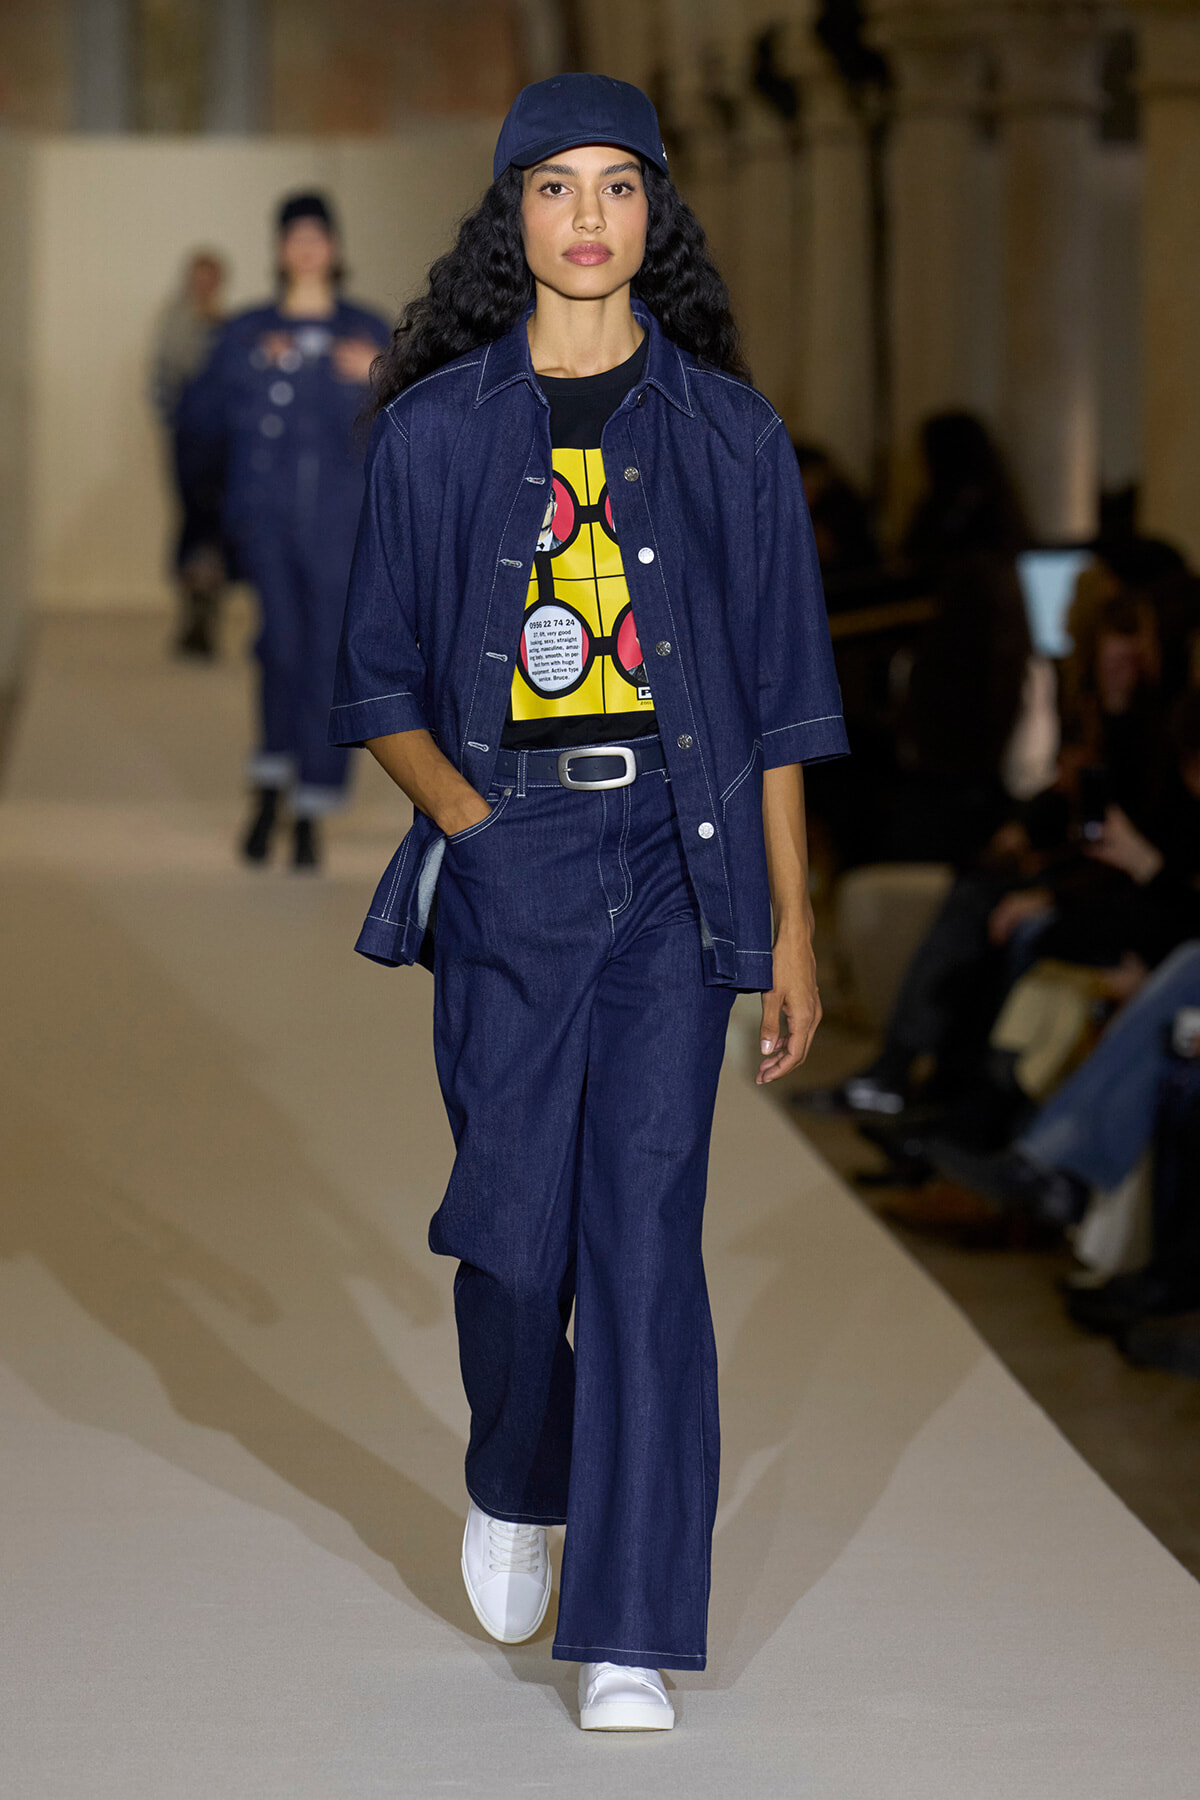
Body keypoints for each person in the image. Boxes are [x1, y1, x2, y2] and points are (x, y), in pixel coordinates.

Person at [328, 74, 847, 1731]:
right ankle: (515, 1464)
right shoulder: (434, 433)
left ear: (654, 212)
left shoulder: (730, 435)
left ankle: (627, 1627)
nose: (589, 217)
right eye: (556, 186)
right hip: (516, 853)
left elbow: (781, 705)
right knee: (508, 1230)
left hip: (679, 860)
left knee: (642, 1237)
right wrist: (470, 824)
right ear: (514, 213)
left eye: (619, 185)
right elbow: (378, 679)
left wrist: (793, 927)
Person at [179, 194, 390, 869]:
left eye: (316, 235)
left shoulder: (367, 329)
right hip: (265, 522)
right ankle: (270, 788)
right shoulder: (248, 331)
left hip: (341, 526)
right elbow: (197, 416)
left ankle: (310, 808)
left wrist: (381, 373)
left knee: (328, 658)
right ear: (278, 249)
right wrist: (249, 368)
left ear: (334, 247)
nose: (305, 246)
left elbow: (418, 420)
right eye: (293, 235)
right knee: (279, 649)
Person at [150, 249, 228, 658]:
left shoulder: (229, 325)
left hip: (222, 445)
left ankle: (207, 621)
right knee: (192, 522)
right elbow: (164, 375)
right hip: (188, 440)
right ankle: (190, 618)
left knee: (216, 526)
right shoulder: (176, 322)